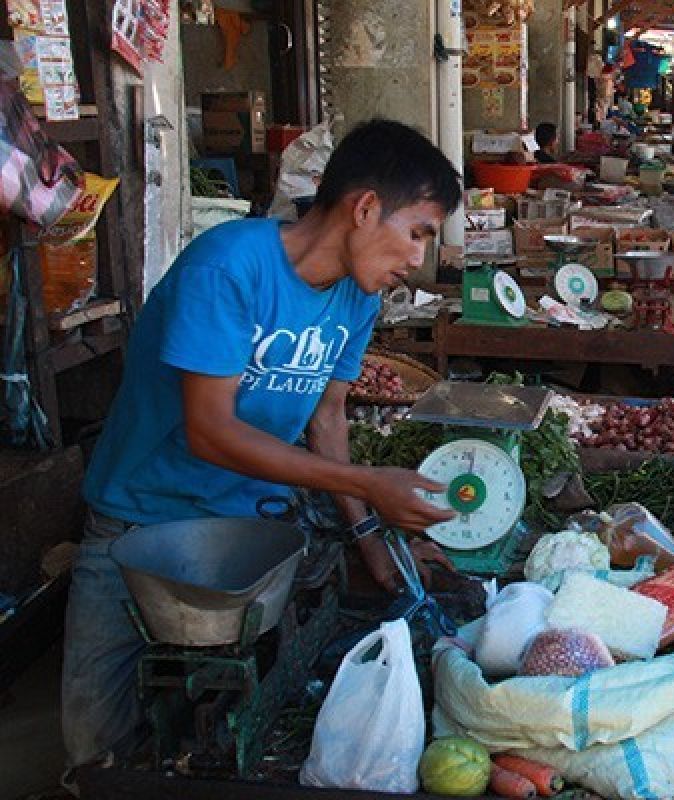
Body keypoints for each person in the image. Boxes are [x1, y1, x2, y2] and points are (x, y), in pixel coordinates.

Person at [61, 118, 462, 777]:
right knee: (95, 751)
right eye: (417, 231)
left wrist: (371, 540)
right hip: (141, 525)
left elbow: (327, 421)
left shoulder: (356, 299)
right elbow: (209, 430)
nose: (419, 257)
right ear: (365, 208)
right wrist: (368, 485)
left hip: (252, 536)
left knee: (232, 732)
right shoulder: (228, 267)